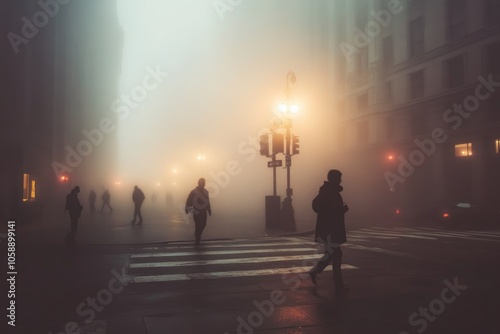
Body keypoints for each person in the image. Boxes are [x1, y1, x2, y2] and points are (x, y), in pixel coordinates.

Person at [309, 169, 349, 293]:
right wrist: (341, 210)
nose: (341, 180)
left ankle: (316, 272)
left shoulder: (329, 191)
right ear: (334, 178)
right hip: (330, 229)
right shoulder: (329, 191)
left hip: (329, 229)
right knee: (336, 254)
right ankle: (338, 283)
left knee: (332, 253)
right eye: (339, 177)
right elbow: (328, 210)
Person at [185, 178, 212, 245]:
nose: (203, 183)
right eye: (202, 182)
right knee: (198, 225)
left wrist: (209, 209)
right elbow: (189, 200)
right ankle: (197, 238)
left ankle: (198, 235)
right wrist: (187, 208)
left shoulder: (206, 191)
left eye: (204, 182)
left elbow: (207, 201)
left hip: (203, 211)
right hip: (196, 211)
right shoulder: (194, 191)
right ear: (199, 183)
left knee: (203, 224)